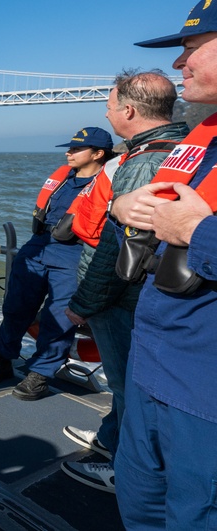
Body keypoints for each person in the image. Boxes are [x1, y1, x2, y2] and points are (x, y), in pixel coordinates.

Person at [108, 0, 217, 528]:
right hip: (155, 363)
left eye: (193, 45)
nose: (178, 61)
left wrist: (201, 233)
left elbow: (193, 226)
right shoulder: (201, 134)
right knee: (140, 502)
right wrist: (124, 204)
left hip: (204, 387)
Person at [59, 71, 187, 494]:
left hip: (123, 301)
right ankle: (112, 440)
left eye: (109, 107)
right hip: (151, 295)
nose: (108, 113)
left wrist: (84, 302)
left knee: (130, 388)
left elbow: (118, 251)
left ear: (128, 111)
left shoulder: (143, 163)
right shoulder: (183, 150)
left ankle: (129, 473)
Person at [0, 126, 114, 400]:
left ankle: (40, 374)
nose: (69, 152)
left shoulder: (110, 183)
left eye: (77, 149)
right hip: (38, 246)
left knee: (59, 317)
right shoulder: (64, 177)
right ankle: (4, 358)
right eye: (70, 147)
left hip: (73, 252)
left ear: (98, 154)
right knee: (15, 307)